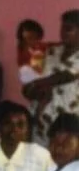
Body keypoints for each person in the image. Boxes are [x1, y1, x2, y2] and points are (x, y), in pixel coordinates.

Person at [26, 10, 79, 146]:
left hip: (70, 123)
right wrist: (31, 90)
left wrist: (37, 83)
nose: (63, 33)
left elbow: (66, 76)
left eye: (69, 29)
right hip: (42, 120)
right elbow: (30, 84)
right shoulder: (51, 52)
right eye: (62, 28)